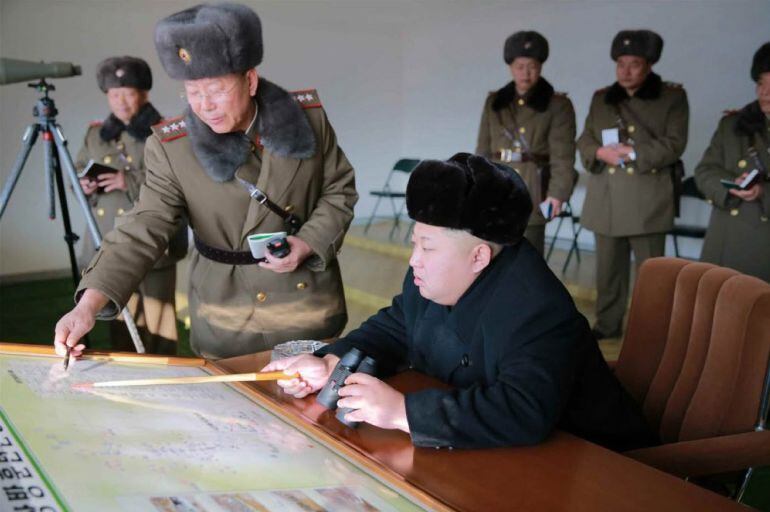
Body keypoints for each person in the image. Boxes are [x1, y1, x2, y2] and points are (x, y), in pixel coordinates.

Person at [263, 154, 656, 451]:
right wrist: (332, 362)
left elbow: (521, 410)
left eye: (428, 247)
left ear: (479, 257)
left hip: (595, 464)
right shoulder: (431, 275)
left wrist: (402, 412)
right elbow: (397, 325)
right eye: (415, 242)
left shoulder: (537, 309)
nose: (414, 258)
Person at [54, 3, 357, 361]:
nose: (204, 105)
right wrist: (89, 304)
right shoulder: (172, 148)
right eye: (193, 92)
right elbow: (143, 226)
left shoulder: (307, 121)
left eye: (215, 89)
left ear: (250, 80)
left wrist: (309, 242)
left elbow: (339, 190)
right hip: (226, 312)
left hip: (306, 305)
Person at [577, 30, 689, 340]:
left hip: (648, 199)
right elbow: (585, 138)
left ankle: (651, 333)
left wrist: (634, 152)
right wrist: (598, 151)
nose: (626, 71)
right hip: (607, 199)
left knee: (652, 275)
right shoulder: (602, 98)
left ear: (649, 64)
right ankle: (607, 324)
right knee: (608, 271)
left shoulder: (672, 97)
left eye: (634, 63)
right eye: (621, 63)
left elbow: (675, 143)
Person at [75, 56, 186, 354]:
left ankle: (166, 381)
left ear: (144, 94)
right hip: (107, 236)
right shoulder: (95, 134)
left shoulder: (166, 131)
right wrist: (84, 186)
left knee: (158, 319)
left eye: (128, 93)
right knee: (119, 316)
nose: (121, 102)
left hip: (155, 242)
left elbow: (178, 180)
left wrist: (129, 181)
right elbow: (79, 168)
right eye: (114, 95)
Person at [476, 31, 576, 254]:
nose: (526, 73)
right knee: (492, 254)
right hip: (497, 185)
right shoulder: (495, 102)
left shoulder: (557, 104)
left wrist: (557, 194)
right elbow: (482, 149)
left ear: (540, 66)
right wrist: (479, 187)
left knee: (529, 254)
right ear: (510, 67)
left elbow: (563, 155)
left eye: (531, 66)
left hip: (533, 186)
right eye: (519, 66)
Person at [694, 42, 770, 282]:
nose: (764, 93)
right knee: (716, 309)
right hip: (726, 238)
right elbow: (705, 171)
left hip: (763, 244)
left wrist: (763, 192)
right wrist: (730, 184)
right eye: (760, 83)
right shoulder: (733, 125)